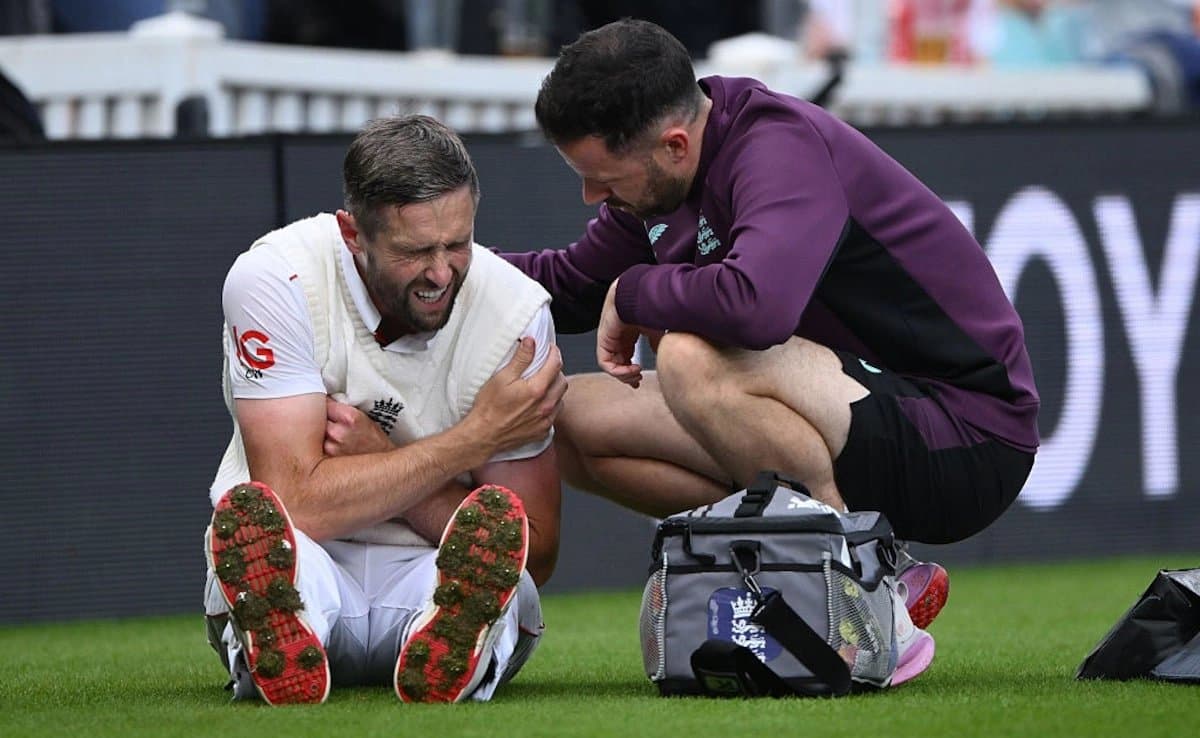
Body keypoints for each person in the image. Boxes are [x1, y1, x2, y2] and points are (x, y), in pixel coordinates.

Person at [504, 19, 1040, 678]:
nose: (592, 196)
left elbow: (758, 305)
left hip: (965, 434)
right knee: (569, 418)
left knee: (690, 357)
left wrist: (640, 290)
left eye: (602, 177)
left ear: (673, 144)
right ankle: (853, 567)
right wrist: (438, 273)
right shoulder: (666, 175)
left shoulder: (777, 146)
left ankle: (863, 600)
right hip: (847, 414)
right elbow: (567, 286)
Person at [204, 114, 567, 705]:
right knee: (288, 561)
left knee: (501, 580)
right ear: (353, 233)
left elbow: (537, 548)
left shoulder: (518, 315)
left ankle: (449, 640)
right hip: (311, 559)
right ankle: (286, 633)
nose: (441, 272)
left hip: (435, 568)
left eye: (457, 243)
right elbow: (295, 501)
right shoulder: (276, 278)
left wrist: (387, 460)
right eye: (415, 250)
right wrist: (471, 442)